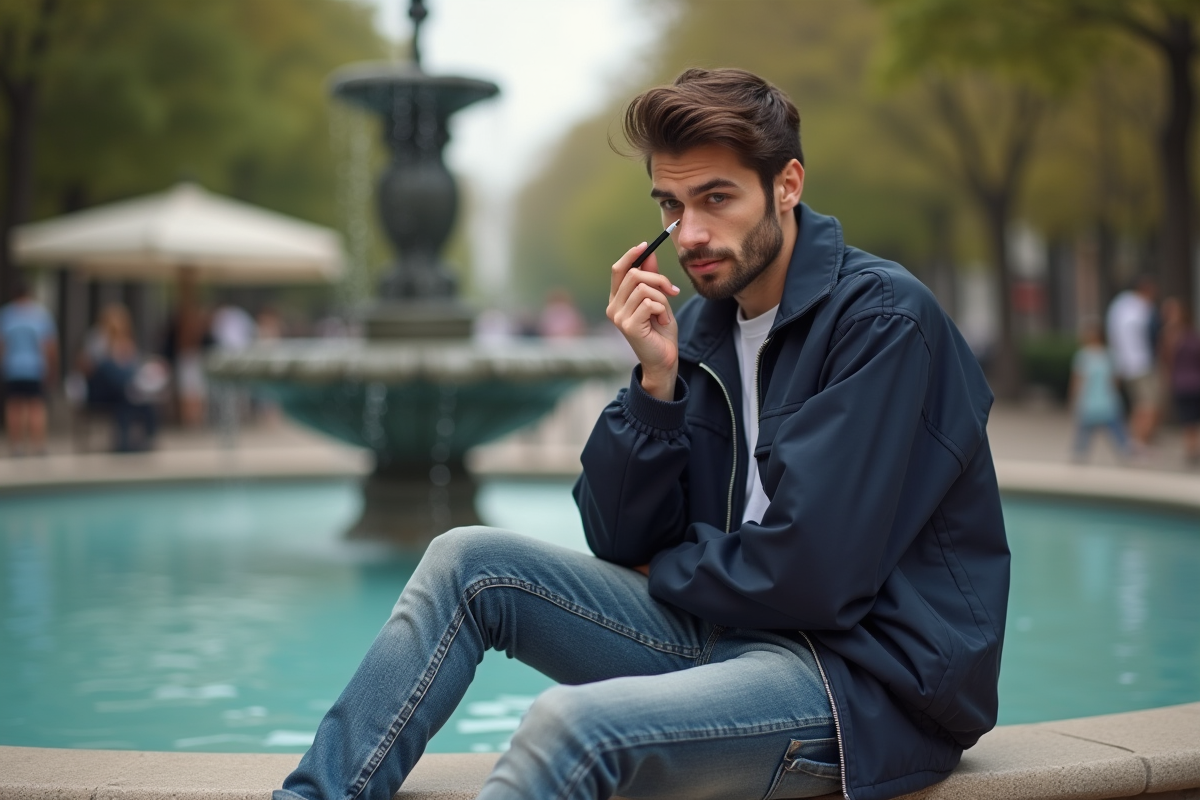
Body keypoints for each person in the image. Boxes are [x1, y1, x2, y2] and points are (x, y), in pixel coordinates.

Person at [276, 68, 1008, 800]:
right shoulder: (696, 328)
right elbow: (617, 541)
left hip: (855, 684)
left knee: (569, 724)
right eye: (671, 204)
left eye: (716, 199)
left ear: (786, 185)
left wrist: (672, 571)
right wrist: (654, 388)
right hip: (726, 636)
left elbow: (815, 575)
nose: (690, 234)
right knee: (467, 561)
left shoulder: (880, 320)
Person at [79, 304, 159, 452]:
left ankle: (142, 440)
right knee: (111, 369)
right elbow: (88, 367)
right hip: (101, 390)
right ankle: (130, 391)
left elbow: (134, 366)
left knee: (141, 402)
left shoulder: (127, 341)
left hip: (121, 392)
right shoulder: (97, 339)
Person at [0, 275, 58, 456]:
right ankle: (38, 446)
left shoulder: (7, 314)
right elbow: (49, 346)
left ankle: (16, 446)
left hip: (13, 367)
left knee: (14, 406)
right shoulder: (40, 314)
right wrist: (52, 368)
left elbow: (3, 345)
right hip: (35, 367)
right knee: (36, 406)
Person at [1106, 275, 1159, 450]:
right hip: (1140, 364)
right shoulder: (1139, 307)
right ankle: (1138, 443)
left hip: (1126, 364)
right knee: (1148, 406)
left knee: (1140, 406)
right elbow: (1151, 334)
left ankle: (1136, 442)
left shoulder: (1119, 305)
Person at [1068, 323, 1130, 462]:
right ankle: (1079, 454)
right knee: (1085, 430)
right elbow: (1077, 380)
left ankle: (1126, 452)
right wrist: (1074, 398)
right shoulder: (1083, 356)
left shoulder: (1109, 355)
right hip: (1090, 400)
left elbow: (1115, 380)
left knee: (1115, 429)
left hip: (1106, 399)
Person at [1165, 303, 1200, 466]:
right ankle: (1192, 450)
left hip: (1187, 383)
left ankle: (1192, 450)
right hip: (1187, 383)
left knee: (1189, 419)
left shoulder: (1176, 336)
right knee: (1189, 419)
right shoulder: (1183, 336)